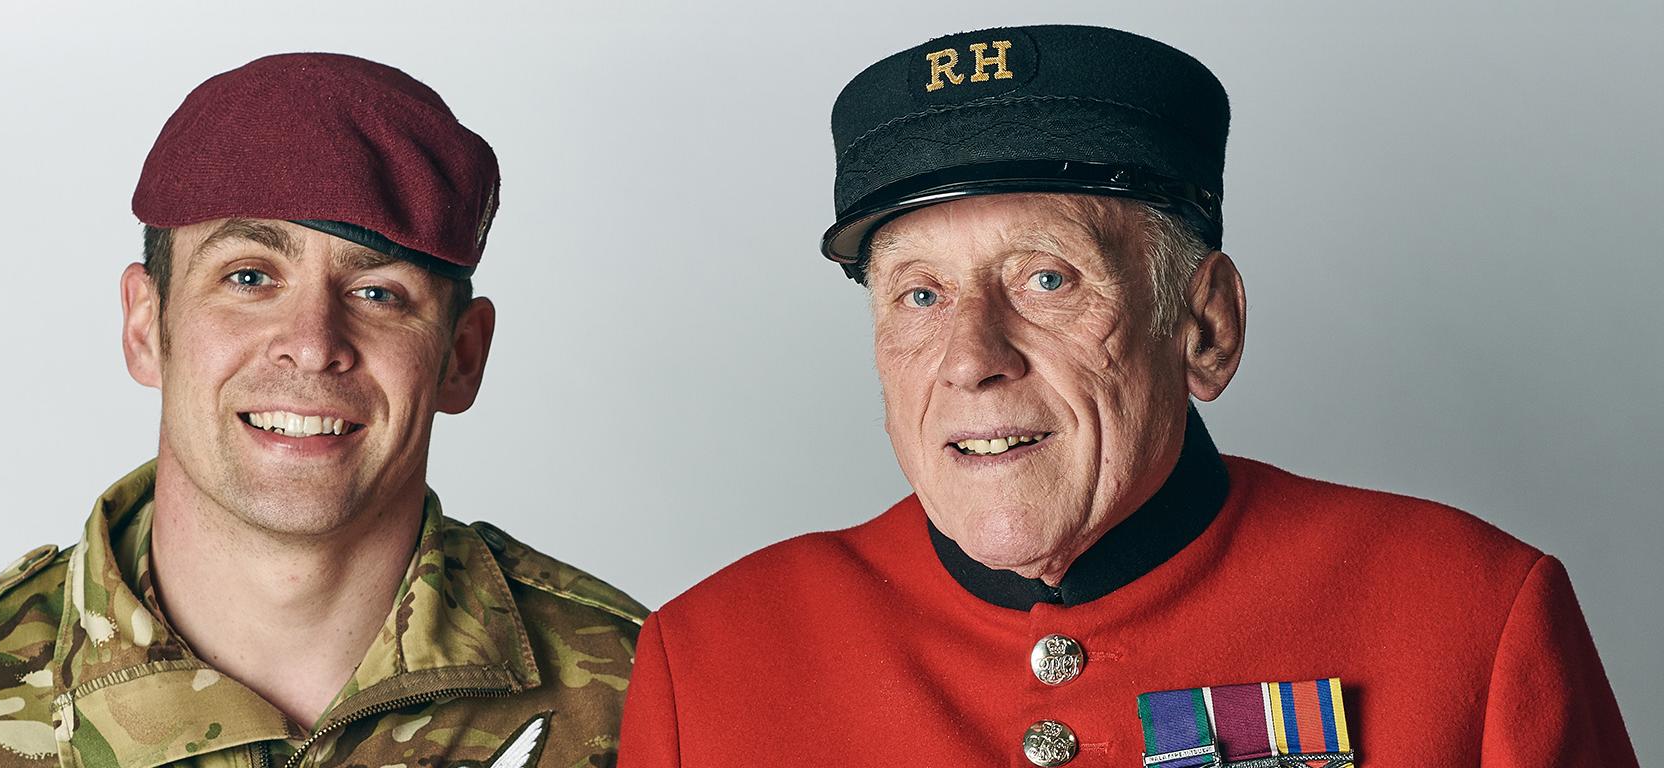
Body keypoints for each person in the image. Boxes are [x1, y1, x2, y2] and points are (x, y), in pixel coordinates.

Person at [617, 25, 1636, 768]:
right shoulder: (710, 659)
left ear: (1205, 327)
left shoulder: (1474, 617)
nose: (972, 357)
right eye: (919, 294)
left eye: (1046, 280)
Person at [0, 53, 644, 768]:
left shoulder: (643, 704)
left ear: (462, 356)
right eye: (248, 277)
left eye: (379, 291)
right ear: (145, 326)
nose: (312, 343)